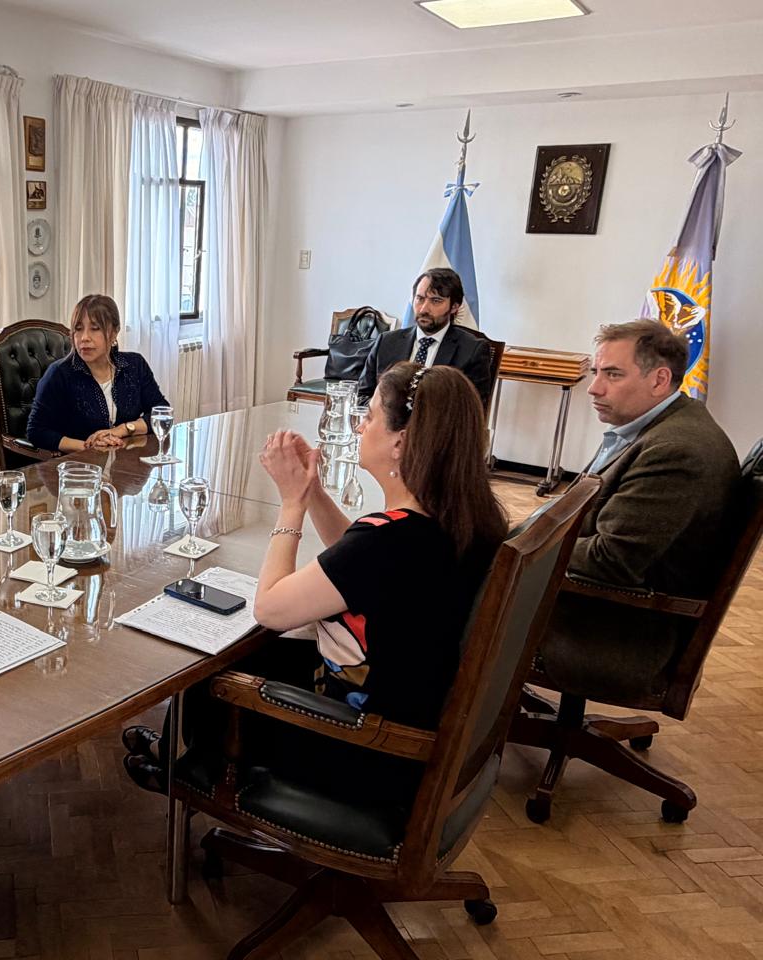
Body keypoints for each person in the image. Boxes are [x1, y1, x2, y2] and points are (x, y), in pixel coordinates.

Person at [122, 364, 507, 806]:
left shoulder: (387, 540)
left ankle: (190, 771)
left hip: (363, 749)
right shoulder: (457, 519)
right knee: (261, 647)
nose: (360, 425)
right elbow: (358, 560)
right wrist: (314, 491)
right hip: (410, 714)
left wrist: (291, 505)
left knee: (218, 666)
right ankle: (177, 752)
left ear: (400, 443)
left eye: (371, 415)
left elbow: (269, 606)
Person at [538, 320, 739, 698]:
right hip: (602, 607)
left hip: (619, 632)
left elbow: (609, 560)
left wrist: (518, 548)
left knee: (449, 594)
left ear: (660, 380)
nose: (594, 387)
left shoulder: (677, 451)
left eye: (612, 374)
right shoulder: (652, 427)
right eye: (596, 372)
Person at [25, 294, 169, 453]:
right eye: (78, 329)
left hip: (126, 463)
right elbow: (36, 431)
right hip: (79, 468)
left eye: (95, 329)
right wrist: (88, 446)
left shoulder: (134, 365)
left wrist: (123, 429)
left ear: (114, 332)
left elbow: (161, 412)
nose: (84, 338)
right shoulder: (59, 374)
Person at [355, 268, 494, 407]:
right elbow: (362, 397)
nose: (423, 309)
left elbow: (472, 410)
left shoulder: (472, 351)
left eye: (436, 301)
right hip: (388, 426)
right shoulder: (386, 342)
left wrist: (417, 420)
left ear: (454, 307)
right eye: (420, 299)